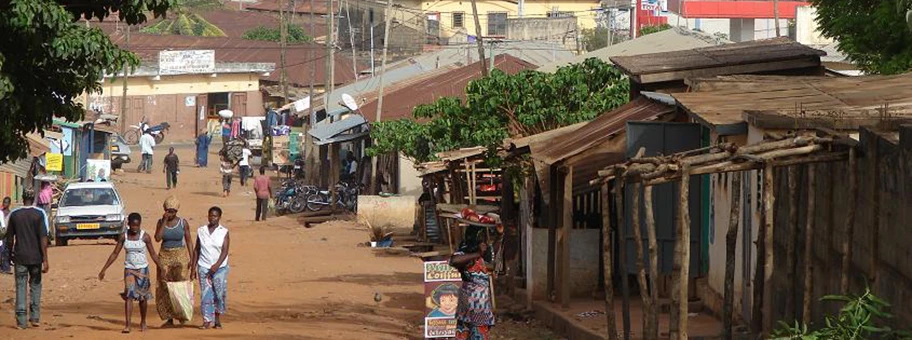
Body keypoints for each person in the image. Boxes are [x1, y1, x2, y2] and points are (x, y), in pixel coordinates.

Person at [98, 213, 164, 333]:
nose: (135, 228)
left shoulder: (145, 237)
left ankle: (143, 321)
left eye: (137, 226)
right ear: (128, 224)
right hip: (129, 270)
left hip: (143, 270)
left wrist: (162, 268)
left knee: (143, 297)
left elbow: (153, 254)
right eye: (133, 225)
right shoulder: (124, 237)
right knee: (129, 296)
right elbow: (115, 253)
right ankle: (128, 325)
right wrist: (104, 269)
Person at [4, 189, 50, 329]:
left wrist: (10, 254)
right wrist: (45, 259)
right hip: (36, 257)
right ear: (34, 197)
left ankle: (21, 321)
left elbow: (10, 238)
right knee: (35, 286)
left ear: (22, 197)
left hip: (20, 257)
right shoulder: (39, 214)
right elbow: (43, 238)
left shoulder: (15, 214)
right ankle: (35, 317)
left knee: (20, 286)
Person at [448, 226, 495, 340]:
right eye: (480, 238)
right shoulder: (466, 252)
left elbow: (494, 257)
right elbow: (453, 261)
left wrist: (500, 235)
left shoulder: (486, 253)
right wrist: (478, 253)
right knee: (466, 333)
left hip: (481, 306)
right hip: (469, 305)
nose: (483, 242)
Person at [154, 196, 193, 327]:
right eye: (168, 211)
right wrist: (164, 221)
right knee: (164, 286)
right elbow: (158, 238)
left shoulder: (183, 223)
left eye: (172, 211)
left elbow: (188, 240)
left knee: (180, 286)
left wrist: (192, 259)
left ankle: (182, 315)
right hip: (165, 255)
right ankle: (169, 318)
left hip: (180, 255)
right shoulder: (161, 222)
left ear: (177, 211)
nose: (170, 214)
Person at [192, 206, 231, 329]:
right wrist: (193, 268)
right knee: (206, 294)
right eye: (210, 215)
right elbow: (197, 249)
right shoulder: (201, 231)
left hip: (220, 268)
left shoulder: (224, 231)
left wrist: (216, 265)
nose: (212, 218)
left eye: (215, 216)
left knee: (219, 294)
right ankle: (206, 320)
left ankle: (217, 319)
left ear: (219, 217)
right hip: (203, 266)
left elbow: (225, 251)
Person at [0, 196, 11, 274]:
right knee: (2, 250)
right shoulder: (1, 212)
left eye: (6, 202)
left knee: (7, 251)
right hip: (1, 234)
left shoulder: (11, 214)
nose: (4, 204)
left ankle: (6, 267)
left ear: (9, 204)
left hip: (8, 234)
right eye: (4, 202)